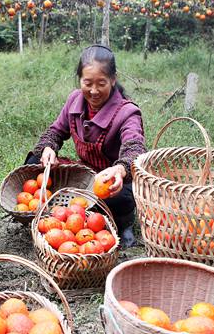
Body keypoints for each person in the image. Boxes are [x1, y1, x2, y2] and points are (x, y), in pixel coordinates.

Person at [27, 45, 145, 247]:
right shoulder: (75, 101)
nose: (94, 91)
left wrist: (119, 169)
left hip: (111, 181)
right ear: (80, 80)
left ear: (113, 80)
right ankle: (60, 213)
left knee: (118, 198)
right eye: (87, 83)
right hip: (85, 175)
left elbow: (135, 148)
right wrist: (49, 148)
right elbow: (55, 131)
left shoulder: (127, 113)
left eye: (101, 83)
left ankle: (123, 223)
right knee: (34, 163)